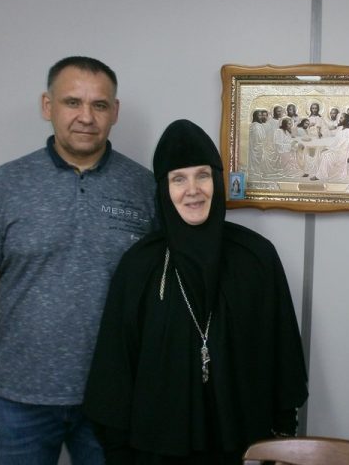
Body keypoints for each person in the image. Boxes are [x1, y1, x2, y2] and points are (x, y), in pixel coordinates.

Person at [0, 56, 158, 465]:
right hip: (16, 400)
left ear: (114, 112)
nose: (86, 117)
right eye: (72, 102)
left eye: (99, 105)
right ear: (47, 106)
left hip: (114, 398)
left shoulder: (144, 188)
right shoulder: (5, 184)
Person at [83, 119, 308, 465]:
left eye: (202, 175)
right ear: (164, 189)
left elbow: (282, 349)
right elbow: (116, 364)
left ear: (217, 181)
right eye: (179, 179)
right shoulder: (140, 264)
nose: (193, 190)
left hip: (242, 445)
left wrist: (282, 434)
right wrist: (118, 450)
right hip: (156, 450)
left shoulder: (256, 257)